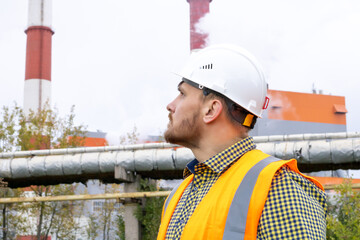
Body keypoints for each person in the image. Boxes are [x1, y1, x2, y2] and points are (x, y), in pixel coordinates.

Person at [157, 44, 327, 240]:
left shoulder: (278, 189)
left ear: (211, 110)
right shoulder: (179, 194)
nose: (171, 105)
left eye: (183, 94)